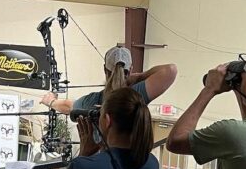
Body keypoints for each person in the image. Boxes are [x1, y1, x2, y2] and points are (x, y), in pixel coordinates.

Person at [42, 47, 176, 126]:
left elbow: (68, 106)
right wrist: (138, 76)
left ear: (105, 70)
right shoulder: (135, 96)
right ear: (130, 69)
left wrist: (51, 101)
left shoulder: (95, 100)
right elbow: (170, 70)